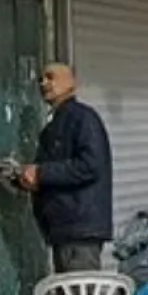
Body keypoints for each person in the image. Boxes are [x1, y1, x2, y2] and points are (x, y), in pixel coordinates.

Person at [20, 64, 113, 273]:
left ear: (71, 83)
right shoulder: (55, 125)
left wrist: (42, 173)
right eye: (42, 79)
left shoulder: (82, 118)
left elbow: (91, 165)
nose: (44, 83)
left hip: (79, 232)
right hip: (64, 230)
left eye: (51, 77)